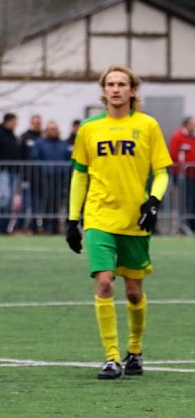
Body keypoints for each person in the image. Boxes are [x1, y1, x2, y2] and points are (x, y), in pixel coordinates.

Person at [66, 65, 172, 379]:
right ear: (104, 91)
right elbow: (79, 174)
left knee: (134, 293)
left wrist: (153, 202)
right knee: (103, 282)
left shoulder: (147, 125)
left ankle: (135, 350)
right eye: (110, 84)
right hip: (99, 217)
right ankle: (111, 357)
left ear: (132, 91)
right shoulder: (89, 128)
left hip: (134, 221)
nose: (115, 89)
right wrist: (73, 219)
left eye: (121, 84)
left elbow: (162, 172)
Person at [30, 120, 69, 234]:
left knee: (57, 202)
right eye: (51, 129)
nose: (53, 131)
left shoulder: (62, 144)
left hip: (59, 176)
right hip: (45, 177)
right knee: (46, 201)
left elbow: (68, 157)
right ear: (46, 130)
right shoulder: (40, 143)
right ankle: (46, 225)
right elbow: (35, 158)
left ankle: (55, 226)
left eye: (54, 129)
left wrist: (65, 169)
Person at [168, 116, 195, 233]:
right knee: (185, 201)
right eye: (193, 123)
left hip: (192, 175)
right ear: (187, 124)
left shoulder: (192, 137)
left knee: (192, 201)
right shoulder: (177, 137)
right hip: (182, 176)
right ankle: (183, 225)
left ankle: (192, 225)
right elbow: (173, 155)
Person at [18, 114, 43, 232]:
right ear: (31, 123)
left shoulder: (43, 137)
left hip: (40, 177)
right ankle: (20, 225)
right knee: (25, 202)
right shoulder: (25, 137)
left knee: (36, 203)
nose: (37, 124)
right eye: (35, 122)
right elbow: (20, 155)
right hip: (27, 175)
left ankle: (33, 226)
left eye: (39, 122)